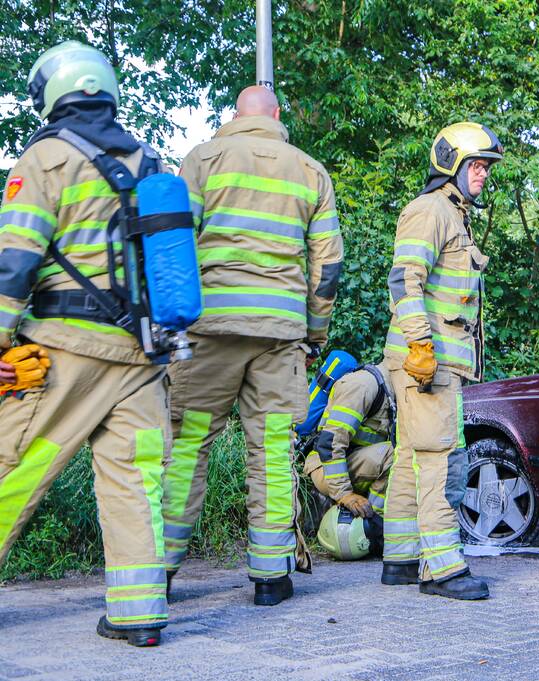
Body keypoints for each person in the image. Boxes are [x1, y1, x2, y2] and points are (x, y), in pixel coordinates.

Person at [0, 41, 175, 646]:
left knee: (14, 467)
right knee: (136, 478)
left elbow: (13, 264)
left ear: (52, 92)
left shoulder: (46, 158)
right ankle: (140, 614)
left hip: (64, 348)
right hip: (142, 355)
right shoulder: (149, 159)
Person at [160, 86, 342, 606]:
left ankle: (162, 569)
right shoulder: (310, 171)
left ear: (233, 117)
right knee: (272, 453)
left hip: (207, 332)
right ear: (278, 116)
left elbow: (173, 246)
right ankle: (270, 577)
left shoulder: (201, 159)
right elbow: (327, 267)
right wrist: (315, 334)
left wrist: (172, 325)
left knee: (189, 447)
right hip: (280, 336)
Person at [380, 122, 502, 600]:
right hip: (427, 364)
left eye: (486, 168)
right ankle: (443, 570)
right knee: (439, 460)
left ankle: (402, 559)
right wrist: (420, 347)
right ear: (449, 163)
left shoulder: (454, 214)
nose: (483, 175)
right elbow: (402, 281)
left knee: (413, 455)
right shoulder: (430, 211)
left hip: (432, 363)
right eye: (476, 166)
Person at [305, 361, 394, 558]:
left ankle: (375, 529)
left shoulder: (390, 390)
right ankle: (371, 527)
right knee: (397, 455)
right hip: (324, 468)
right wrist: (344, 494)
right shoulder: (363, 385)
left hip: (350, 463)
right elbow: (329, 444)